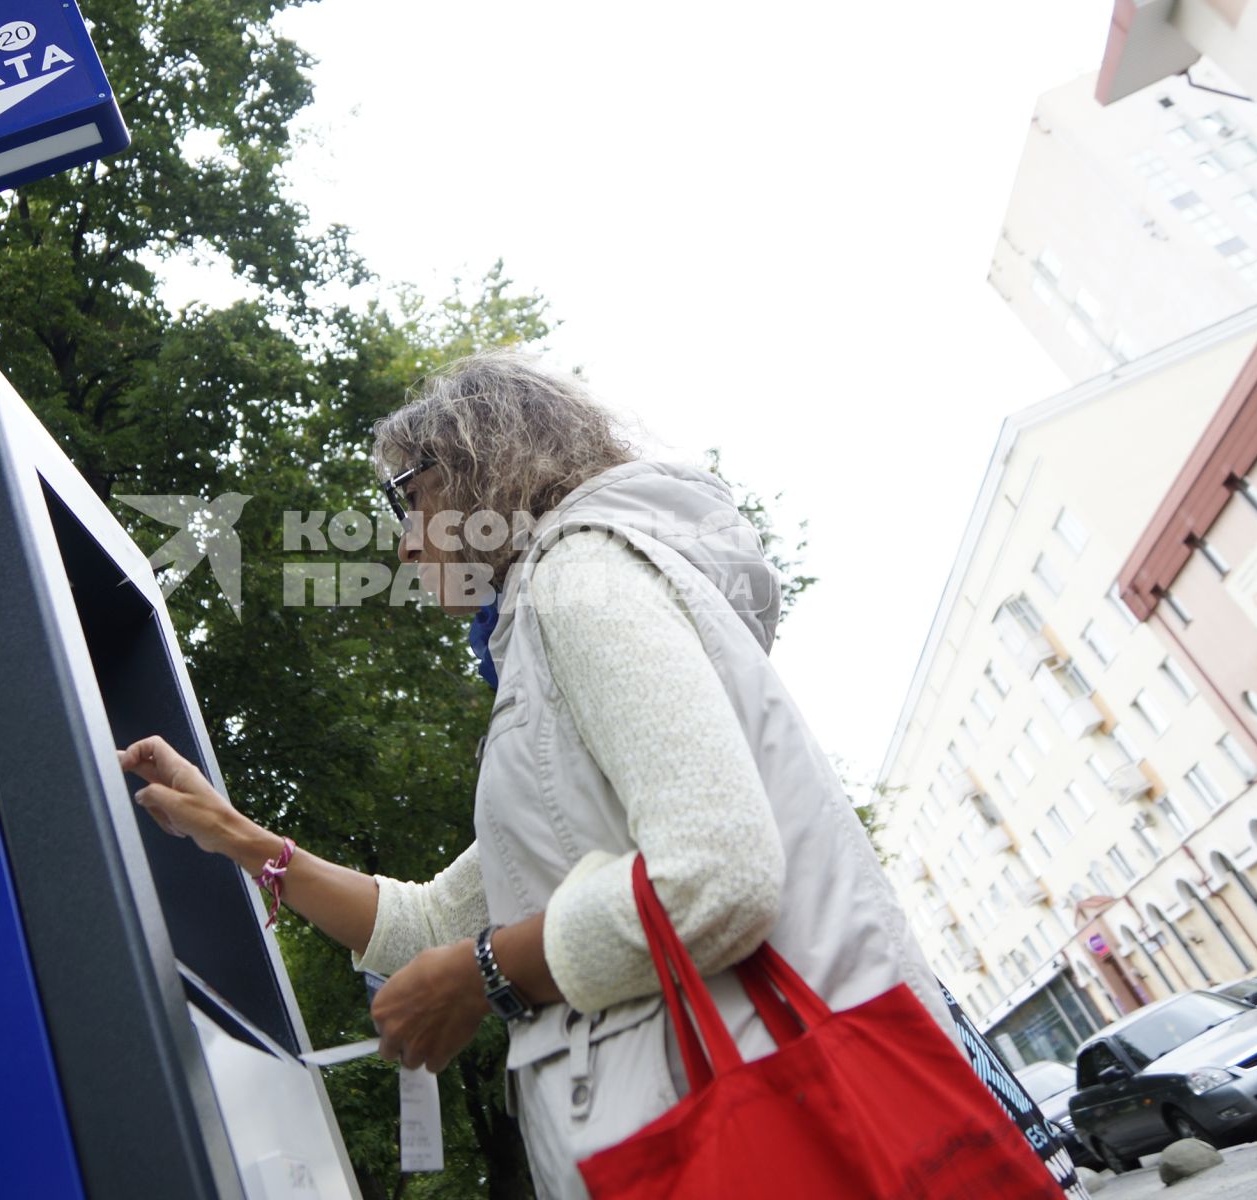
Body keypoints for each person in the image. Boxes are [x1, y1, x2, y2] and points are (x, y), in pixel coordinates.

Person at [121, 351, 953, 1198]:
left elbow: (716, 875)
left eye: (404, 499)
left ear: (476, 465)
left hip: (778, 1145)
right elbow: (436, 921)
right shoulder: (547, 633)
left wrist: (482, 973)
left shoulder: (581, 577)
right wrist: (228, 832)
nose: (404, 545)